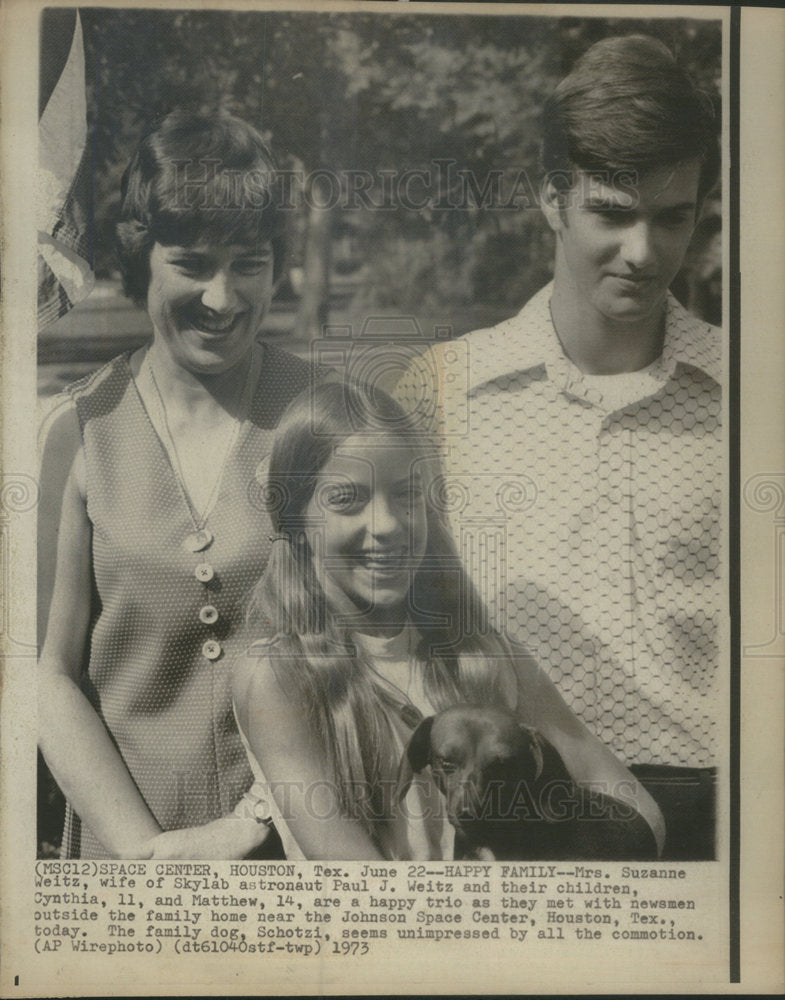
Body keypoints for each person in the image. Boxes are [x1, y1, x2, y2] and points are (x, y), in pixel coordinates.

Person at [394, 35, 721, 859]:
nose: (644, 253)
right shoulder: (439, 392)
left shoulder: (756, 396)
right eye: (611, 212)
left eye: (672, 217)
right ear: (550, 197)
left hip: (721, 825)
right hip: (513, 821)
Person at [37, 109, 322, 859]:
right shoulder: (79, 425)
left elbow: (381, 655)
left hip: (301, 848)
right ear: (142, 258)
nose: (223, 299)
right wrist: (143, 852)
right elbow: (48, 675)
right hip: (122, 860)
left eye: (249, 263)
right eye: (193, 263)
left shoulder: (330, 421)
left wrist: (251, 823)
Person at [232, 380, 665, 860]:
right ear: (295, 519)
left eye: (406, 495)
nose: (388, 524)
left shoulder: (486, 656)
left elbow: (637, 808)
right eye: (346, 499)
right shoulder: (280, 676)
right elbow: (353, 880)